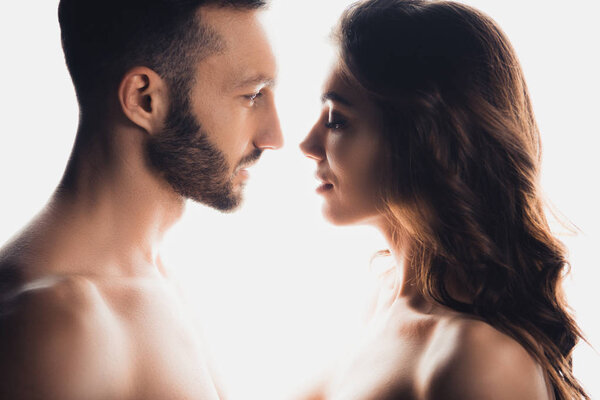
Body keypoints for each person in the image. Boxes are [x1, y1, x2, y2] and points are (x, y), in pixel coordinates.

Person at [299, 0, 589, 399]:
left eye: (337, 120)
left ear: (424, 142)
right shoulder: (380, 298)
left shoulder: (477, 357)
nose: (307, 144)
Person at [0, 0, 282, 398]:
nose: (275, 136)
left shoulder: (154, 275)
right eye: (251, 95)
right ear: (144, 99)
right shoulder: (54, 322)